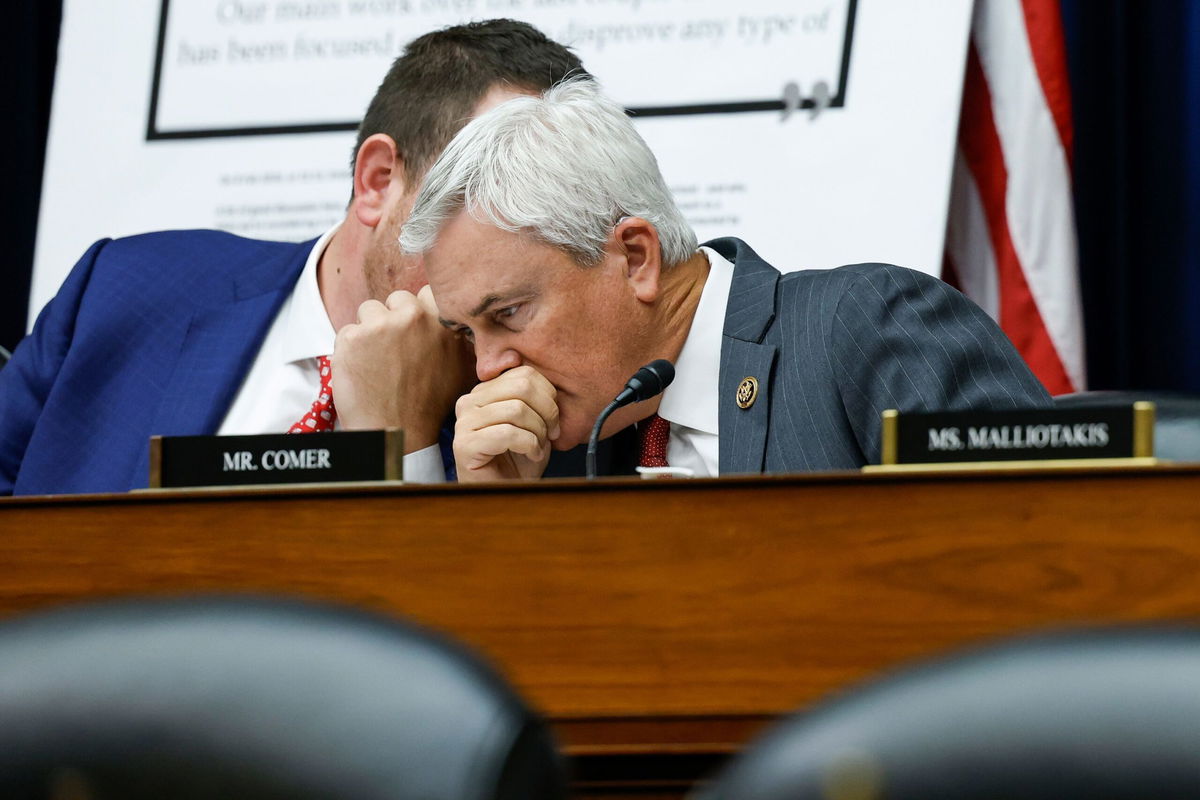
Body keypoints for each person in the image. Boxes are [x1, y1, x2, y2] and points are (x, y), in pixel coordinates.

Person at [0, 20, 587, 496]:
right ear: (378, 181)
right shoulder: (121, 292)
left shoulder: (534, 419)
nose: (514, 268)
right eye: (496, 205)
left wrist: (405, 450)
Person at [399, 78, 1053, 482]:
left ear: (635, 258)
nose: (487, 368)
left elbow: (1037, 579)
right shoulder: (548, 450)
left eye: (508, 313)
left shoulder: (868, 329)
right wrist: (505, 519)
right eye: (467, 333)